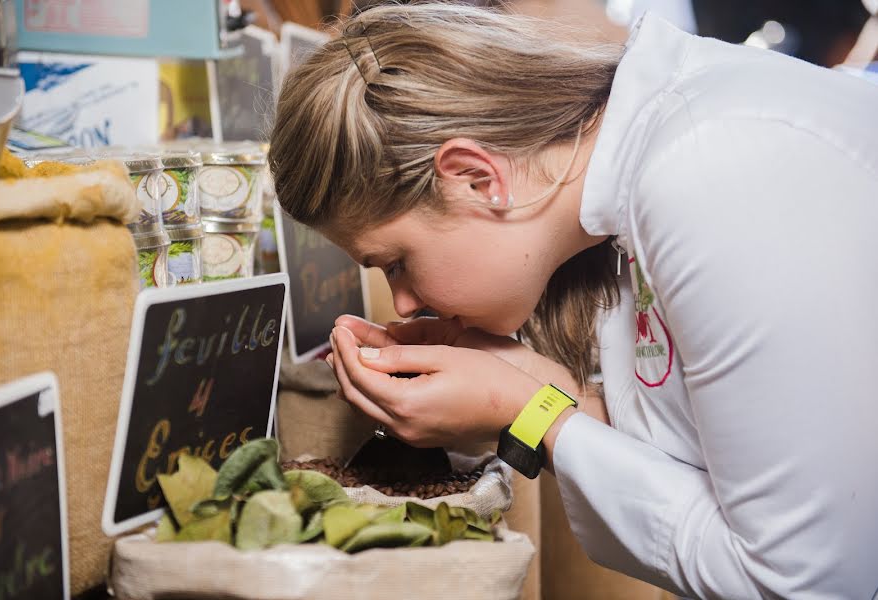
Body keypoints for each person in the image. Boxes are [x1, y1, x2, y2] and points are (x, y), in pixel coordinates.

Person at [268, 3, 878, 598]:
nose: (402, 305)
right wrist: (527, 396)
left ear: (477, 179)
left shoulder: (709, 170)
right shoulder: (631, 192)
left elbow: (803, 582)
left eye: (397, 263)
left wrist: (526, 409)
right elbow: (706, 462)